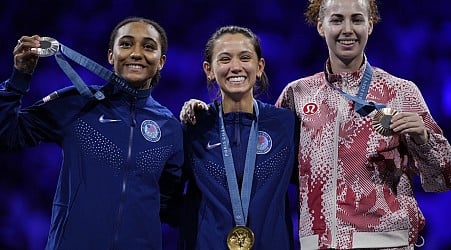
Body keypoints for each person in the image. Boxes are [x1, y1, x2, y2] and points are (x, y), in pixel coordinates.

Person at [275, 0, 451, 249]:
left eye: (357, 19)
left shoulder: (400, 91)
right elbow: (271, 163)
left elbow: (444, 177)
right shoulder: (297, 94)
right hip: (319, 244)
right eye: (337, 20)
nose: (348, 29)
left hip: (387, 244)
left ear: (370, 25)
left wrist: (424, 138)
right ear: (321, 26)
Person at [0, 17, 183, 249]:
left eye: (148, 46)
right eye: (126, 44)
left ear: (161, 61)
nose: (136, 53)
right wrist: (19, 78)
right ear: (110, 55)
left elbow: (167, 204)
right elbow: (6, 135)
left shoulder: (170, 127)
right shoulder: (77, 104)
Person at [178, 26, 298, 250]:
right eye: (224, 59)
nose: (235, 67)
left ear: (259, 66)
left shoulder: (285, 124)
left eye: (245, 58)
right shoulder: (195, 127)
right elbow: (169, 198)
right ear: (209, 70)